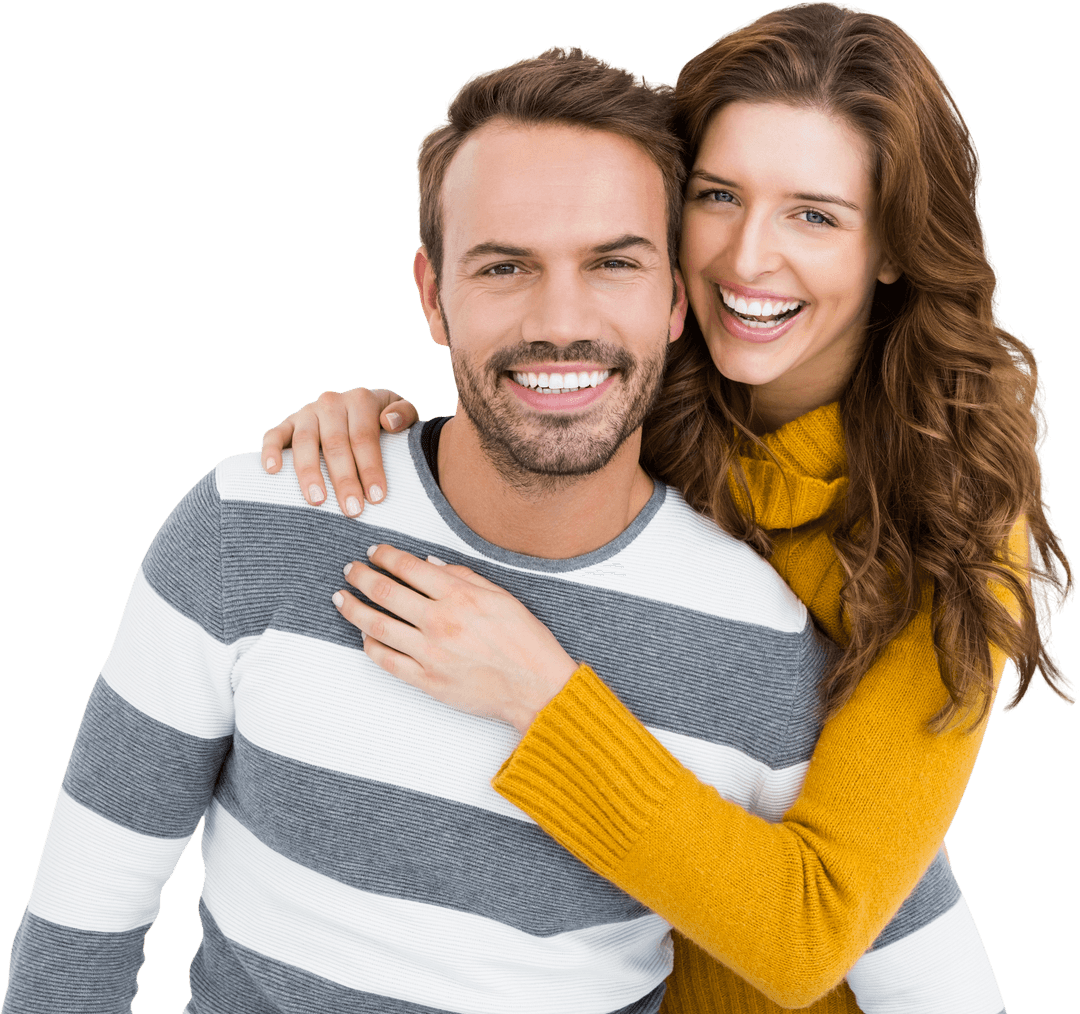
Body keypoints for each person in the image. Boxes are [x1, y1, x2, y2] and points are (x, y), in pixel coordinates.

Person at [3, 45, 868, 1014]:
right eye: (505, 266)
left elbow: (873, 952)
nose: (560, 320)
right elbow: (79, 934)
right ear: (431, 295)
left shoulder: (759, 639)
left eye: (614, 263)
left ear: (675, 298)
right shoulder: (249, 528)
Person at [259, 4, 1074, 1013]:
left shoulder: (950, 523)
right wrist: (372, 431)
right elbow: (502, 405)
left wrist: (542, 700)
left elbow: (811, 930)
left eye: (815, 216)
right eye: (720, 196)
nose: (746, 259)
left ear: (893, 247)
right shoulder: (635, 384)